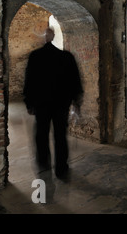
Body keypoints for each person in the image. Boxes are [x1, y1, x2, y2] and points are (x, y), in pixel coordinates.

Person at [23, 27, 83, 179]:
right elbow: (75, 81)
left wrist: (29, 103)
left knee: (41, 135)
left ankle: (44, 164)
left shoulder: (35, 56)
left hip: (42, 103)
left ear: (45, 37)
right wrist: (76, 102)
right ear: (54, 36)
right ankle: (61, 169)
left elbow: (29, 81)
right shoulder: (66, 56)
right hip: (61, 104)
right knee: (60, 136)